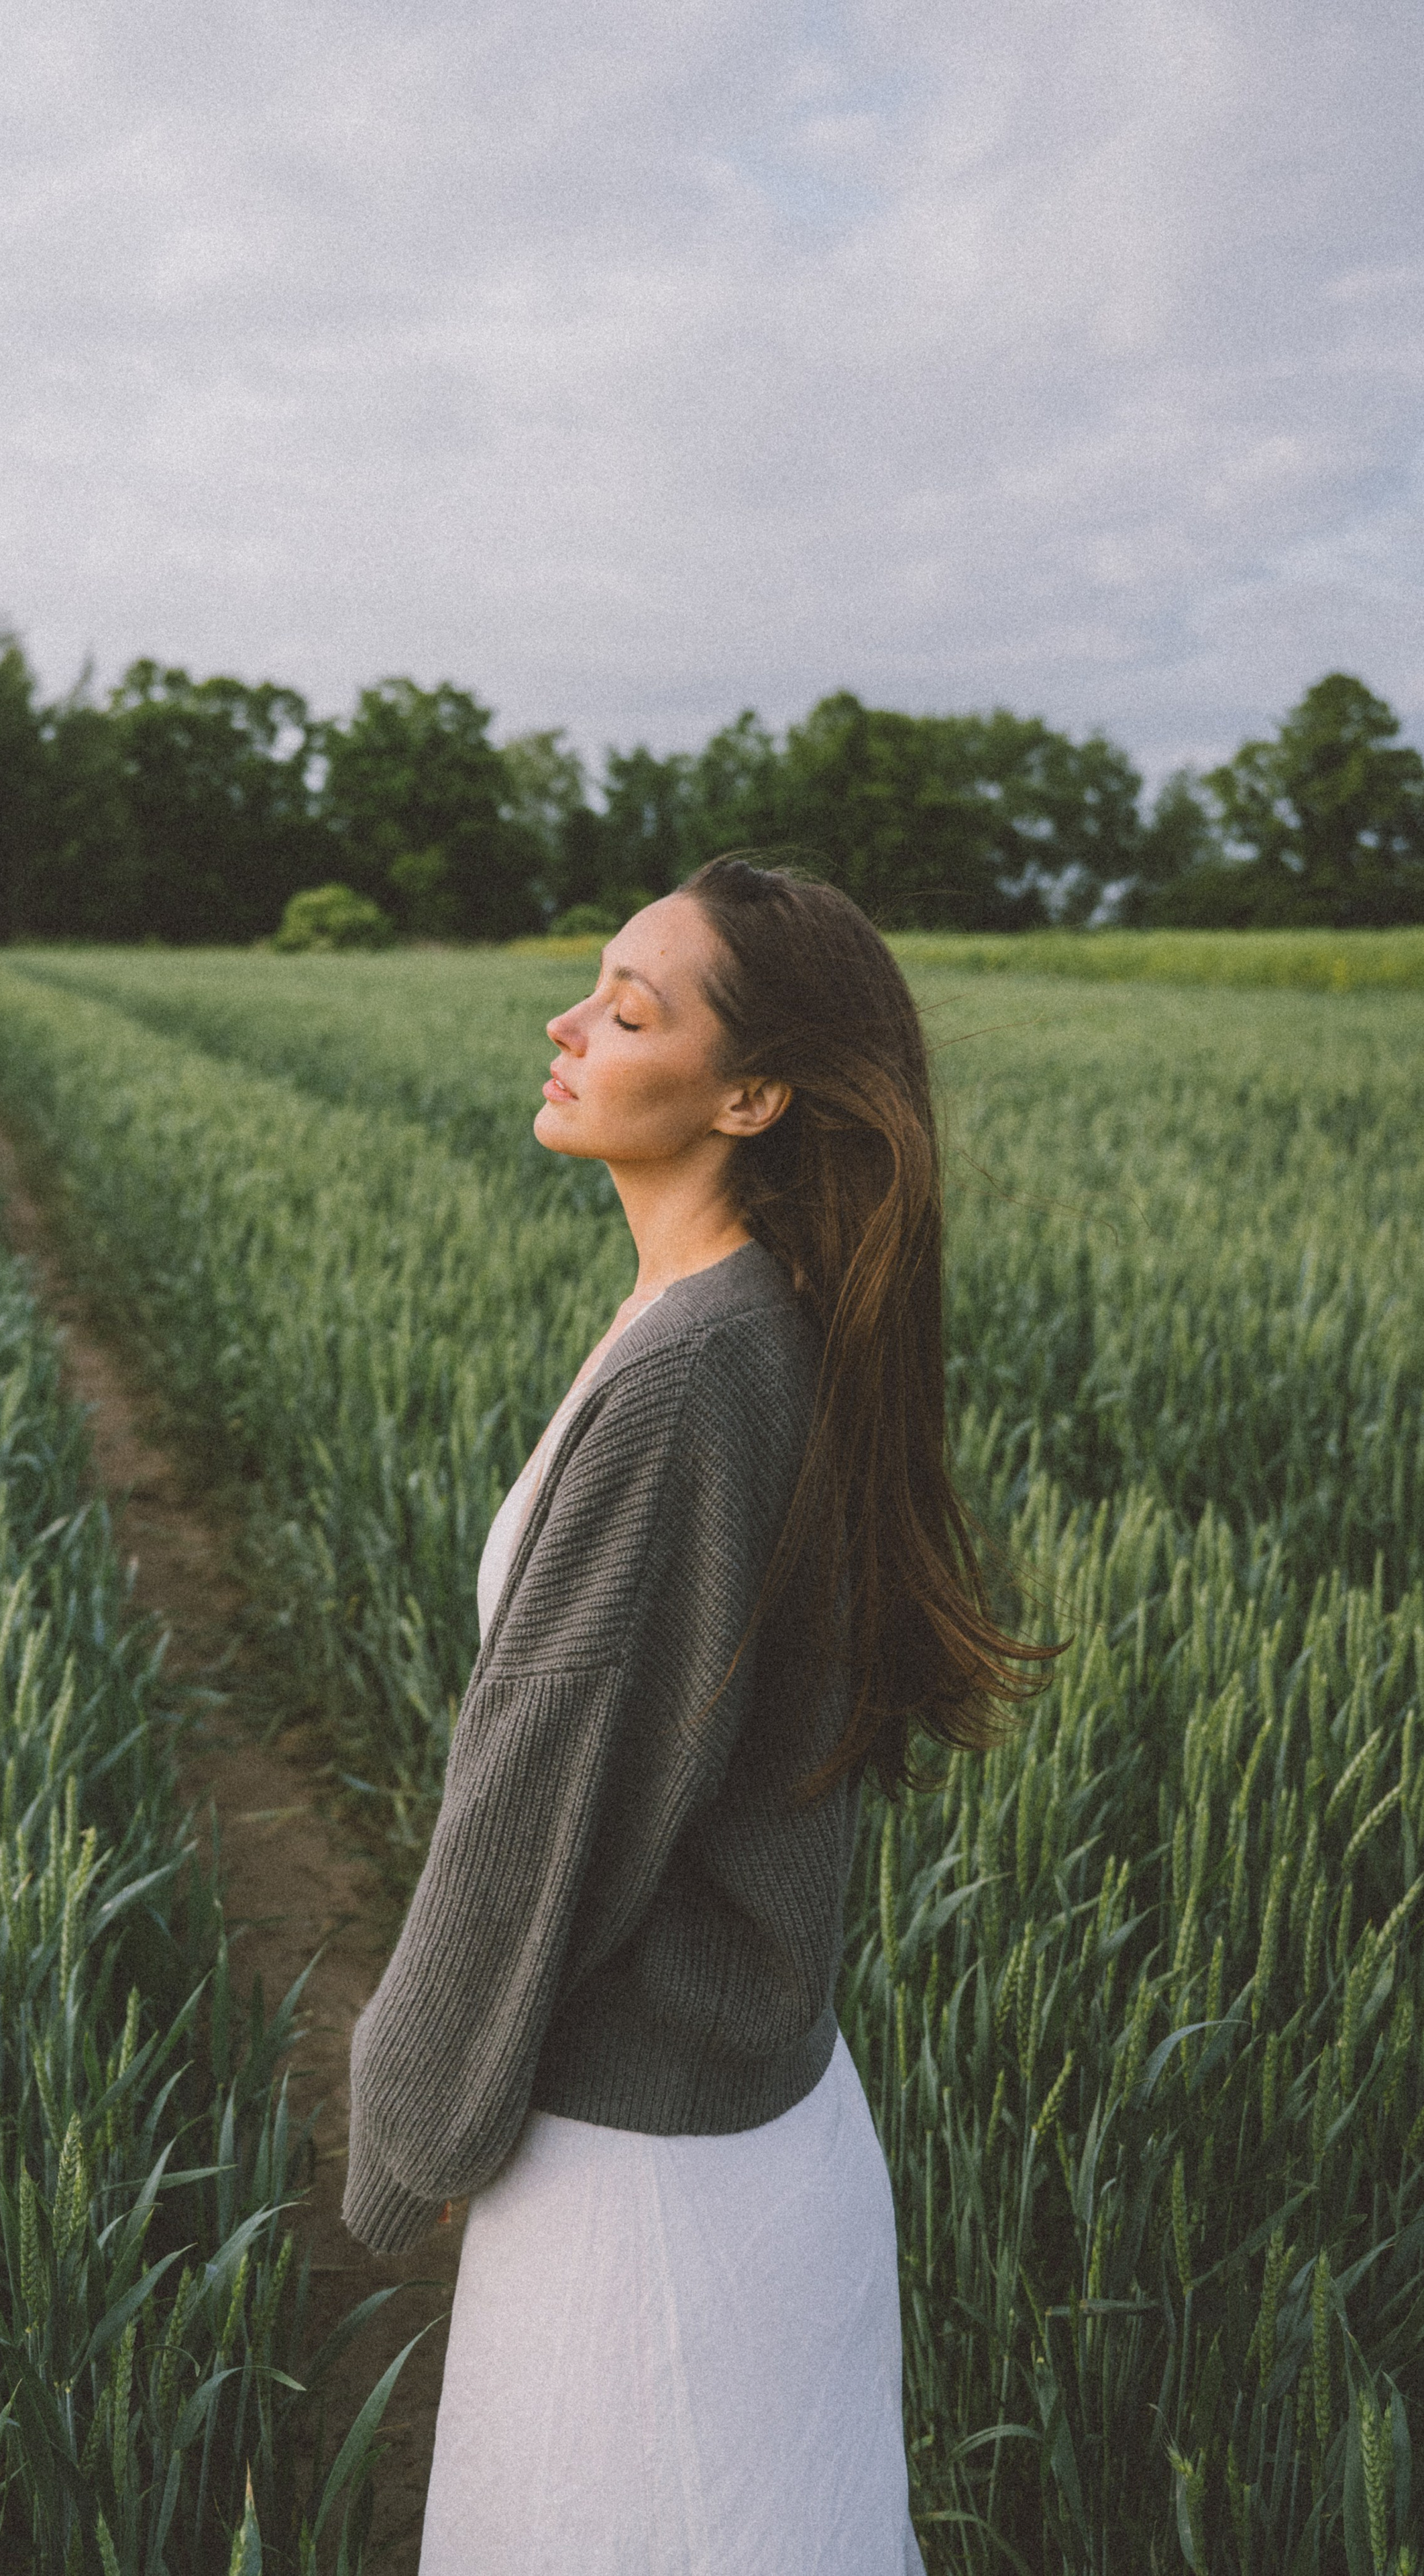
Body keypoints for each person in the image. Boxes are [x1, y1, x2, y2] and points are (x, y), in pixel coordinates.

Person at [343, 857, 1048, 2573]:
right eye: (591, 987)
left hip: (640, 2200)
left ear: (749, 1097)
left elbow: (542, 1792)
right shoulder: (746, 1320)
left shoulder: (692, 1375)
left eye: (629, 1011)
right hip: (749, 2137)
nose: (566, 1024)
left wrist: (407, 2119)